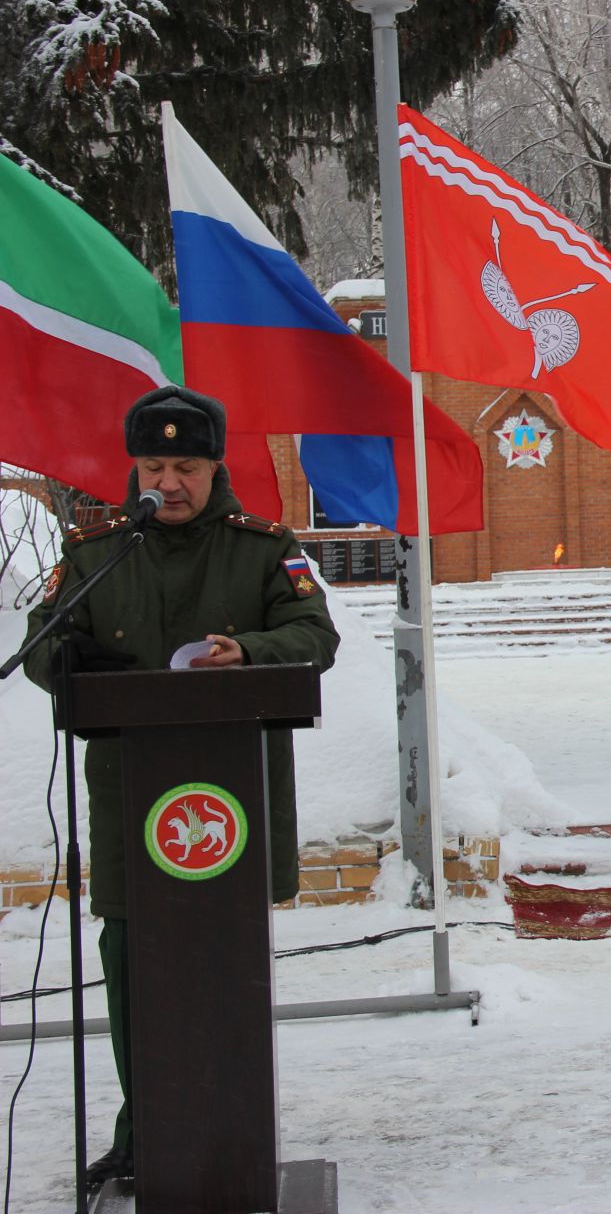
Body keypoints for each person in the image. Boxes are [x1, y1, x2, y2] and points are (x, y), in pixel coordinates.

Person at [19, 386, 340, 1190]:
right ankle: (144, 1134)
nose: (169, 481)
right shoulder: (97, 552)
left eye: (186, 466)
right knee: (131, 962)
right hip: (133, 801)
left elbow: (315, 634)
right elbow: (43, 643)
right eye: (154, 465)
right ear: (134, 468)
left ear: (214, 466)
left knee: (222, 965)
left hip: (228, 807)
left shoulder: (263, 549)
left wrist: (250, 650)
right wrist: (66, 663)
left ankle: (231, 1136)